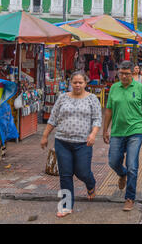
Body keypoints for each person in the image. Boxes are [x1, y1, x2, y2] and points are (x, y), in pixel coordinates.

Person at [41, 71, 102, 218]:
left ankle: (91, 184)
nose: (78, 85)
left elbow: (97, 119)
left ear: (85, 83)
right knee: (65, 174)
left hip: (83, 143)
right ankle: (66, 206)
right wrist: (45, 136)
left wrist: (93, 134)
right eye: (75, 82)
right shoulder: (62, 98)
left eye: (80, 82)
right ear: (71, 83)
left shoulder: (92, 99)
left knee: (83, 171)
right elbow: (53, 118)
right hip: (62, 141)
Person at [102, 61, 142, 211]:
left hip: (135, 131)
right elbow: (109, 110)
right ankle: (121, 174)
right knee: (113, 161)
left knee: (132, 165)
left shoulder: (139, 88)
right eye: (121, 73)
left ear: (133, 74)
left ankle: (130, 197)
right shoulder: (113, 88)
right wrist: (105, 130)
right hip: (117, 131)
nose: (124, 76)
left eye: (127, 73)